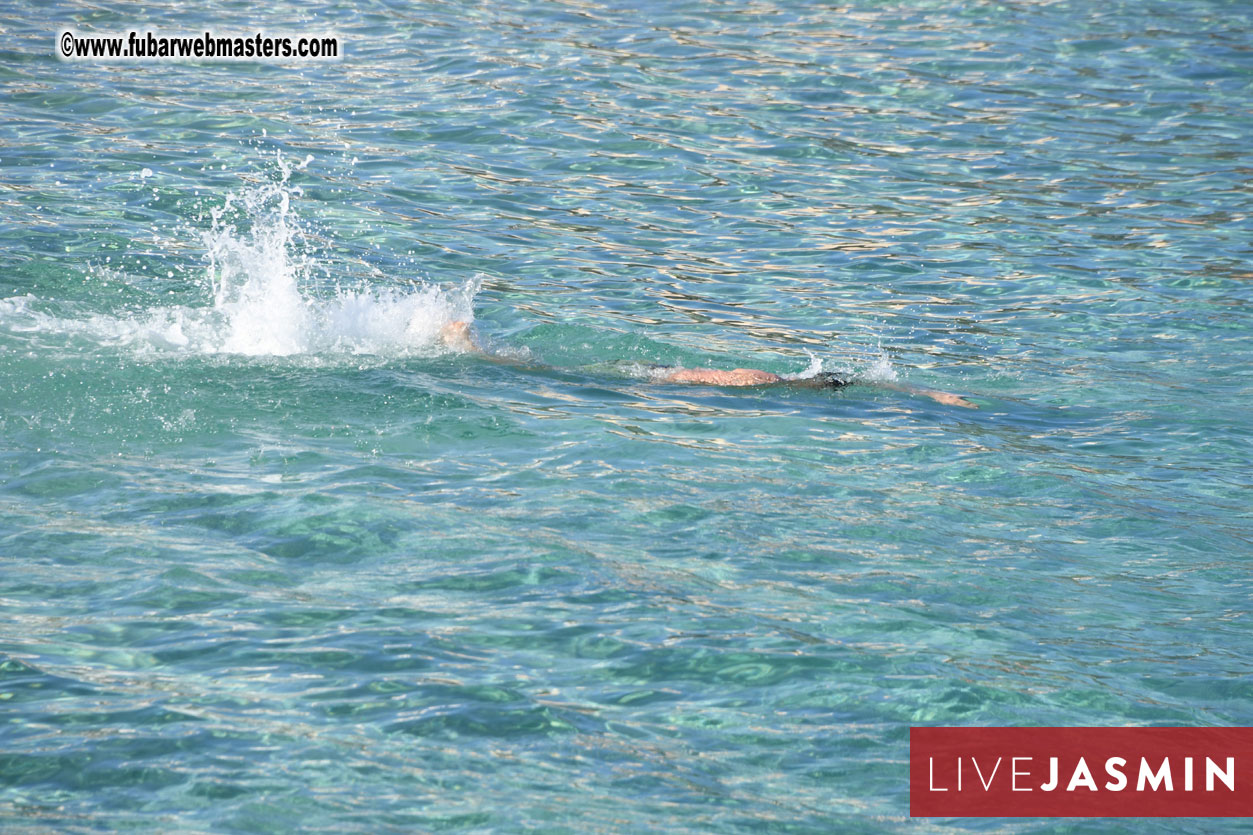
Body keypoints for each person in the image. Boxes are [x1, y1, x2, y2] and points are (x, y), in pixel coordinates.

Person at [439, 320, 975, 408]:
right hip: (662, 381)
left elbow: (864, 383)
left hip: (665, 378)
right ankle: (473, 350)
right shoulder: (776, 385)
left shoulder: (780, 384)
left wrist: (930, 394)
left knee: (552, 376)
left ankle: (474, 348)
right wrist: (930, 394)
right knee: (552, 378)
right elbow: (864, 384)